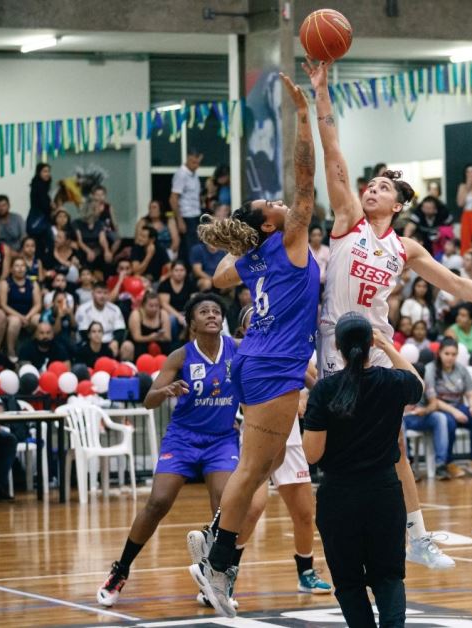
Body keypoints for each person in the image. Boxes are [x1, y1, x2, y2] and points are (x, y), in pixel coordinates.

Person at [306, 59, 472, 571]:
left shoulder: (405, 248)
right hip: (336, 347)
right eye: (369, 185)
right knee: (333, 450)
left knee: (395, 447)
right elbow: (333, 152)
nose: (370, 189)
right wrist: (321, 91)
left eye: (382, 187)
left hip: (380, 348)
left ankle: (418, 537)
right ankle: (336, 542)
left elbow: (455, 284)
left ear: (398, 204)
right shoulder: (347, 220)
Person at [190, 72, 318, 619]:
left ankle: (215, 541)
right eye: (272, 204)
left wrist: (243, 242)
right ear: (270, 226)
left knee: (263, 465)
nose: (282, 201)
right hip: (274, 365)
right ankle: (217, 559)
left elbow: (220, 276)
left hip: (255, 360)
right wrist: (304, 115)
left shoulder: (254, 257)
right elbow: (306, 177)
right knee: (252, 471)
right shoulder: (289, 241)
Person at [97, 295, 240, 607]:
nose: (212, 315)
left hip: (221, 440)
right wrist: (166, 390)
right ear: (192, 323)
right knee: (158, 502)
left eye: (216, 311)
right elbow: (149, 401)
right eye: (204, 311)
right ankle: (121, 570)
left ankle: (214, 577)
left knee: (225, 506)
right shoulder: (180, 355)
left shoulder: (237, 349)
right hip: (183, 438)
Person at [303, 314, 424, 628]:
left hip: (339, 497)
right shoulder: (393, 382)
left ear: (337, 346)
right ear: (371, 343)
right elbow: (417, 384)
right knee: (388, 576)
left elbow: (312, 454)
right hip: (384, 493)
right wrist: (387, 345)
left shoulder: (325, 390)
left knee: (349, 582)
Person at [425, 338, 472, 478]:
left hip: (458, 406)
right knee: (449, 422)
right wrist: (454, 412)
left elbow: (471, 393)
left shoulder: (461, 369)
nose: (450, 357)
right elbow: (433, 400)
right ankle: (448, 463)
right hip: (440, 409)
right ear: (439, 353)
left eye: (453, 354)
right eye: (447, 354)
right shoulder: (430, 369)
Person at [0, 257, 41, 360]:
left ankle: (35, 350)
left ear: (26, 269)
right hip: (11, 314)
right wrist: (20, 317)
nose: (20, 268)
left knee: (38, 319)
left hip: (28, 315)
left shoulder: (32, 283)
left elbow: (38, 304)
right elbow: (3, 305)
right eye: (17, 266)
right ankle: (11, 352)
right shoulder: (5, 283)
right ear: (11, 269)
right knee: (15, 321)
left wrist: (27, 317)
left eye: (22, 266)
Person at [76, 284, 130, 358]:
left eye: (105, 293)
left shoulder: (115, 309)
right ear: (93, 294)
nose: (102, 296)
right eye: (99, 292)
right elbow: (83, 332)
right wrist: (99, 344)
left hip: (110, 342)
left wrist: (115, 341)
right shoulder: (83, 309)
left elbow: (120, 329)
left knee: (128, 346)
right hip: (91, 342)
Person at [172, 148, 204, 262]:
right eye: (194, 162)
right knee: (191, 248)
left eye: (198, 163)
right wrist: (179, 220)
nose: (196, 166)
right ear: (188, 158)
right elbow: (173, 198)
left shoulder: (194, 175)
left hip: (195, 214)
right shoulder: (181, 174)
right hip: (186, 216)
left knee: (193, 246)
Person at [128, 292, 172, 357]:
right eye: (151, 306)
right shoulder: (136, 314)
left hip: (159, 344)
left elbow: (168, 338)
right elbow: (136, 337)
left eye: (156, 305)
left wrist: (157, 337)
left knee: (167, 347)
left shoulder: (163, 314)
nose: (154, 309)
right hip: (140, 345)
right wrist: (150, 338)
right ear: (143, 305)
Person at [159, 260, 194, 335]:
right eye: (176, 270)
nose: (179, 273)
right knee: (171, 319)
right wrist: (179, 316)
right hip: (170, 313)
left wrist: (187, 315)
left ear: (186, 272)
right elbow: (164, 304)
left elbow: (194, 302)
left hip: (186, 312)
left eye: (181, 270)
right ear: (171, 272)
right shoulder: (164, 285)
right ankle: (174, 341)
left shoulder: (191, 284)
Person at [27, 163, 53, 255]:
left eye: (48, 171)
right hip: (39, 221)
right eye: (44, 171)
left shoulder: (43, 186)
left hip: (40, 220)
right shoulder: (39, 186)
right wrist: (52, 206)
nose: (47, 174)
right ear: (39, 173)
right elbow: (44, 205)